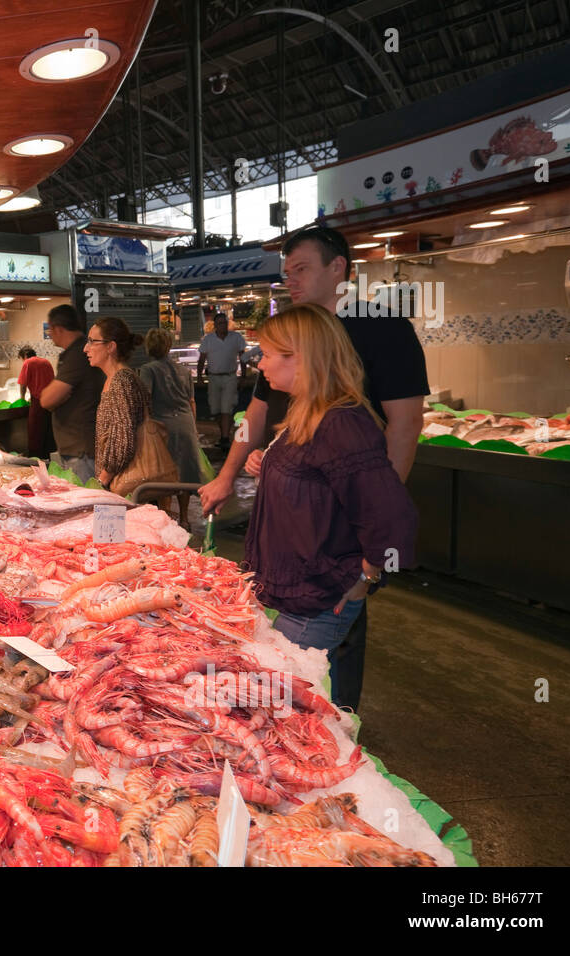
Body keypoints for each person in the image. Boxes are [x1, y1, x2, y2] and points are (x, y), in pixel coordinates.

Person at [200, 224, 429, 709]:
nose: (291, 280)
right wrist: (236, 471)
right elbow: (255, 416)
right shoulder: (293, 353)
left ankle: (340, 724)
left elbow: (405, 426)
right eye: (287, 272)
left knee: (322, 680)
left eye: (301, 269)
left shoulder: (382, 332)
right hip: (296, 563)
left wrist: (366, 551)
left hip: (332, 557)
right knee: (291, 677)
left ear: (338, 267)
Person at [243, 304, 418, 711]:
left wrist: (367, 576)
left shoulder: (341, 424)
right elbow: (314, 484)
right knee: (299, 702)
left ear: (300, 357)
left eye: (267, 354)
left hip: (317, 600)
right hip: (290, 592)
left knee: (284, 708)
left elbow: (393, 516)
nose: (260, 364)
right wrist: (267, 466)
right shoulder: (306, 412)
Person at [139, 327, 201, 528]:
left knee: (163, 474)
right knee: (185, 473)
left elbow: (145, 399)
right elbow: (192, 401)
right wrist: (194, 427)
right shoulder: (183, 370)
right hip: (185, 424)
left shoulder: (148, 370)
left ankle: (164, 519)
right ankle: (184, 518)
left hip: (162, 427)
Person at [38, 304, 104, 483]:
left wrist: (53, 396)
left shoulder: (78, 354)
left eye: (50, 329)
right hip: (77, 449)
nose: (50, 334)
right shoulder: (74, 352)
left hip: (82, 452)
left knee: (87, 498)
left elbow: (47, 400)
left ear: (58, 329)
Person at [84, 317, 149, 491]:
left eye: (92, 341)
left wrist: (102, 480)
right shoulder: (117, 378)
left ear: (110, 347)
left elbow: (123, 440)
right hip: (119, 481)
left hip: (123, 485)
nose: (86, 348)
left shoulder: (121, 381)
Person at [196, 313, 248, 448]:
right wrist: (200, 376)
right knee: (216, 410)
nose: (223, 326)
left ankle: (225, 438)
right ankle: (224, 434)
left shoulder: (236, 337)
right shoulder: (208, 339)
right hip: (213, 377)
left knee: (226, 408)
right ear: (215, 326)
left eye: (224, 323)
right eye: (220, 323)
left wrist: (243, 376)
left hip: (230, 377)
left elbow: (243, 357)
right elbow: (201, 359)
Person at [16, 345, 55, 459]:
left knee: (35, 431)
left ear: (25, 355)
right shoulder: (46, 362)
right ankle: (48, 458)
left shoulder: (28, 362)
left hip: (38, 402)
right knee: (48, 431)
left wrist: (22, 398)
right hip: (51, 400)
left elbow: (23, 384)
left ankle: (35, 459)